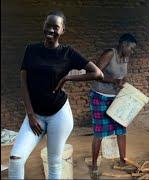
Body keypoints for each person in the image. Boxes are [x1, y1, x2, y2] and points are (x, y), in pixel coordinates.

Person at [8, 10, 104, 179]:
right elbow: (23, 82)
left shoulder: (68, 53)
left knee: (54, 162)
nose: (51, 30)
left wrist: (69, 77)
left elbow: (98, 73)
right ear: (43, 26)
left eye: (56, 27)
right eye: (48, 25)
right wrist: (30, 114)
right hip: (35, 115)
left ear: (62, 30)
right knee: (16, 159)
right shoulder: (31, 50)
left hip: (59, 115)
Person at [89, 33, 137, 178]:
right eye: (131, 48)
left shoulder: (125, 58)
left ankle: (123, 161)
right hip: (100, 97)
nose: (132, 52)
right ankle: (94, 165)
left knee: (121, 129)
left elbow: (123, 76)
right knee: (99, 132)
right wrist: (114, 81)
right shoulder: (110, 53)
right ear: (124, 44)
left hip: (116, 97)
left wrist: (125, 84)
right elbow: (95, 73)